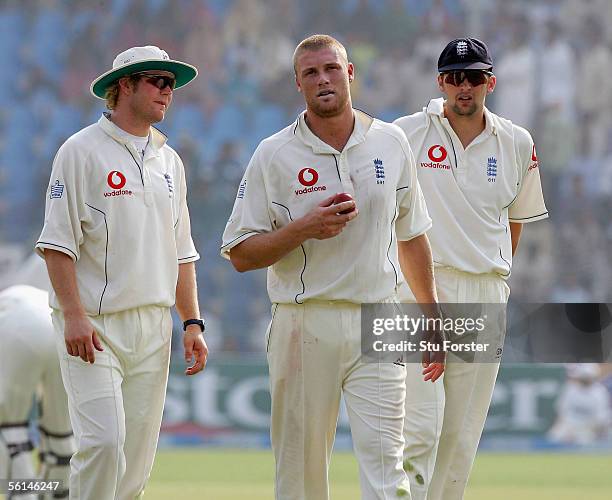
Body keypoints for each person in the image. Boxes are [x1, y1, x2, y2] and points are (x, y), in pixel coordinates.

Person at [221, 34, 441, 500]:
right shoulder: (273, 154)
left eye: (332, 69)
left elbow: (413, 234)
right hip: (305, 321)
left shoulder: (390, 141)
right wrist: (304, 228)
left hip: (378, 317)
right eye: (311, 73)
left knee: (389, 473)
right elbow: (240, 253)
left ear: (350, 73)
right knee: (301, 476)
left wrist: (431, 316)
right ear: (297, 85)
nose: (323, 79)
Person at [35, 45, 208, 499]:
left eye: (172, 84)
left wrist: (191, 321)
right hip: (94, 327)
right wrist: (73, 315)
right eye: (159, 81)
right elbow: (57, 245)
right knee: (103, 445)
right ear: (124, 85)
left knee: (134, 463)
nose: (168, 92)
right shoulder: (80, 151)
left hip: (154, 328)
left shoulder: (170, 161)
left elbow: (182, 252)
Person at [394, 38, 548, 500]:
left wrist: (491, 272)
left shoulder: (518, 142)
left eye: (474, 77)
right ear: (440, 82)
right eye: (455, 77)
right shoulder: (404, 134)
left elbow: (516, 222)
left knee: (460, 438)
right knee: (416, 427)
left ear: (491, 83)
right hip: (413, 291)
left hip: (483, 293)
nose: (465, 87)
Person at [0, 258, 74, 500]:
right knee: (60, 437)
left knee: (11, 430)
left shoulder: (17, 290)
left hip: (22, 323)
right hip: (62, 327)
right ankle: (57, 492)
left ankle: (25, 494)